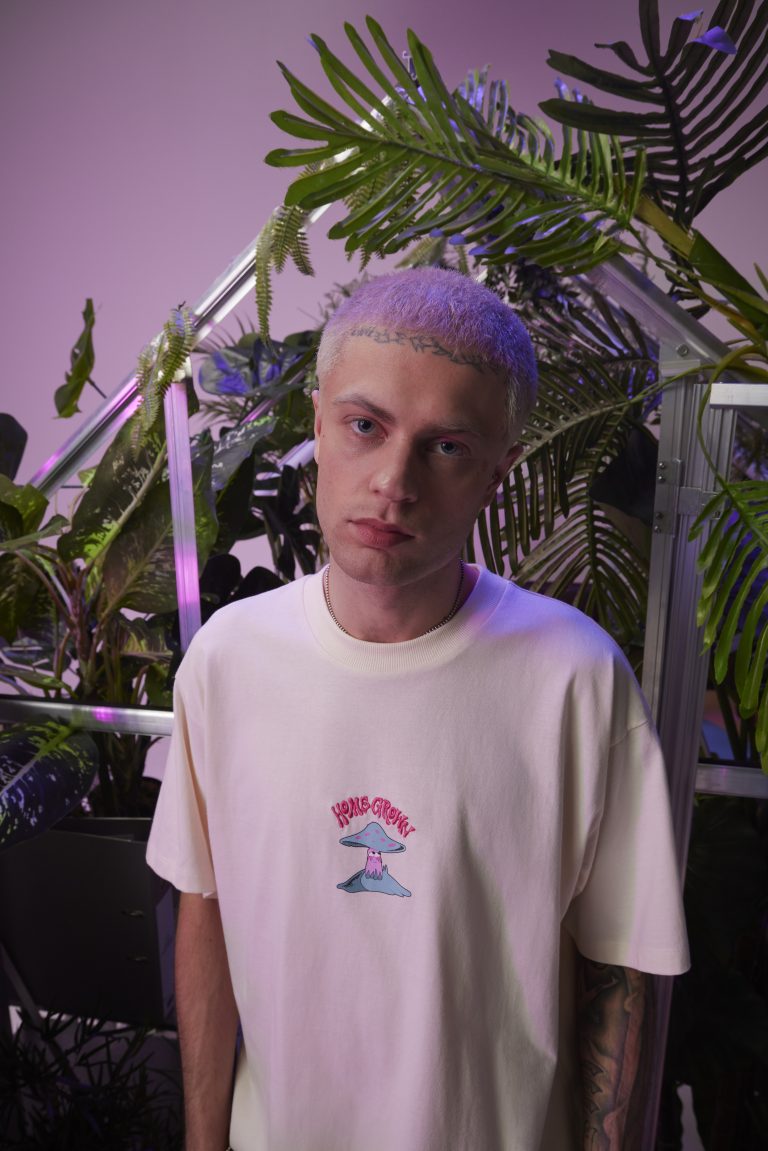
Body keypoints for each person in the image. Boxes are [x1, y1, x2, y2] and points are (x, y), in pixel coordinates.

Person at [146, 266, 690, 1151]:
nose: (394, 482)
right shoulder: (227, 662)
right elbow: (204, 913)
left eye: (445, 447)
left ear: (496, 472)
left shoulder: (576, 678)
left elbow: (620, 971)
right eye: (365, 426)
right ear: (318, 424)